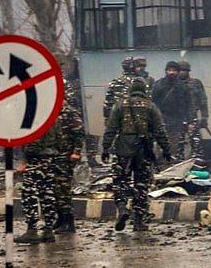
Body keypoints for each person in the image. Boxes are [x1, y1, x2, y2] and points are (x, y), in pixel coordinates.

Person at [101, 77, 172, 232]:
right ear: (145, 91)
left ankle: (122, 209)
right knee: (141, 185)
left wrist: (105, 149)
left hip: (122, 150)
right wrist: (166, 151)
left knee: (120, 181)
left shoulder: (119, 105)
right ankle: (139, 221)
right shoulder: (151, 107)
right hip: (143, 151)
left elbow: (111, 129)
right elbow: (160, 131)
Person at [15, 101, 84, 243]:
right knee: (49, 194)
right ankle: (48, 229)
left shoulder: (39, 116)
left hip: (37, 161)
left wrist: (24, 161)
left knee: (30, 194)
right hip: (51, 159)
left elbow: (34, 142)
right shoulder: (54, 116)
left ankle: (32, 230)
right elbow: (59, 138)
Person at [52, 102, 85, 234]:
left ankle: (68, 222)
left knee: (63, 188)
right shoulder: (52, 111)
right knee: (55, 188)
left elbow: (79, 133)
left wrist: (76, 152)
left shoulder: (70, 113)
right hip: (54, 155)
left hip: (66, 157)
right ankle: (60, 218)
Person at [151, 61, 191, 159]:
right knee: (159, 148)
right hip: (161, 122)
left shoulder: (182, 86)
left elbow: (187, 105)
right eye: (169, 70)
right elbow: (153, 103)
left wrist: (188, 120)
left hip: (176, 123)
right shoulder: (158, 85)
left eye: (174, 70)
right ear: (166, 71)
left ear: (177, 72)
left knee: (173, 149)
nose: (171, 73)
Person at [178, 59, 208, 159]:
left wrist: (204, 117)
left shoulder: (196, 83)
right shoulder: (173, 84)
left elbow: (203, 101)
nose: (182, 72)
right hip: (177, 119)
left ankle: (198, 163)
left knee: (196, 144)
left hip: (192, 117)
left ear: (188, 71)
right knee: (179, 144)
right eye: (180, 70)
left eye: (184, 70)